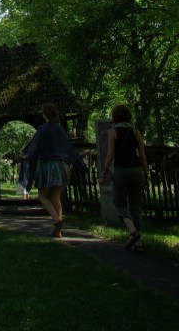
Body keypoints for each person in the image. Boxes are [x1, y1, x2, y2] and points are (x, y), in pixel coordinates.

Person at [21, 102, 86, 238]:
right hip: (61, 166)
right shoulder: (60, 129)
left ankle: (57, 221)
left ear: (44, 114)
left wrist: (27, 156)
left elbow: (36, 147)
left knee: (43, 195)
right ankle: (58, 231)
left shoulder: (43, 129)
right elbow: (68, 148)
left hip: (48, 165)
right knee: (56, 197)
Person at [99, 104, 149, 250]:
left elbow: (110, 155)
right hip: (136, 170)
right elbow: (142, 156)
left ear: (115, 117)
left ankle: (133, 233)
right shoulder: (136, 132)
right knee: (135, 206)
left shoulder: (113, 132)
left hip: (121, 170)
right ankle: (138, 242)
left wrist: (104, 173)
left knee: (120, 203)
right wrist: (146, 174)